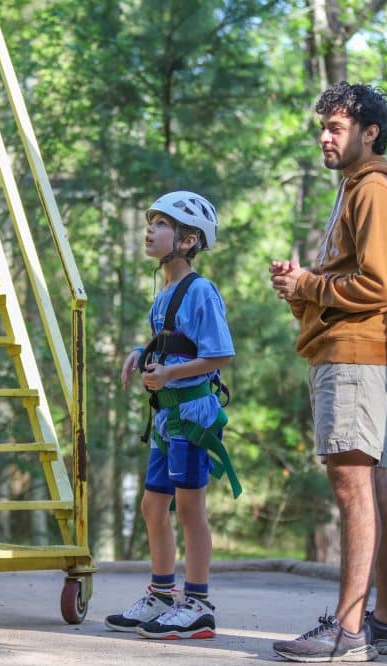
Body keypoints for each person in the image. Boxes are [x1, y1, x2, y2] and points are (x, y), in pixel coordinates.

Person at [269, 82, 387, 663]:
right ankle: (386, 624)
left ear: (369, 132)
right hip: (354, 352)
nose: (324, 136)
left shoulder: (375, 190)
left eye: (335, 127)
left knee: (352, 486)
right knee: (372, 482)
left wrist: (309, 284)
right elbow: (354, 278)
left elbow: (381, 286)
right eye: (324, 126)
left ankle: (347, 631)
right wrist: (301, 286)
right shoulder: (356, 190)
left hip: (357, 356)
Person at [105, 191, 236, 640]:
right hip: (167, 418)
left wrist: (170, 374)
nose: (150, 230)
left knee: (189, 510)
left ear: (188, 240)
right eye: (151, 222)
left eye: (161, 224)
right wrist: (141, 354)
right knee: (152, 505)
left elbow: (220, 354)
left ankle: (197, 604)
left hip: (192, 416)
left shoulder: (201, 291)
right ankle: (161, 595)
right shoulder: (165, 293)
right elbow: (173, 342)